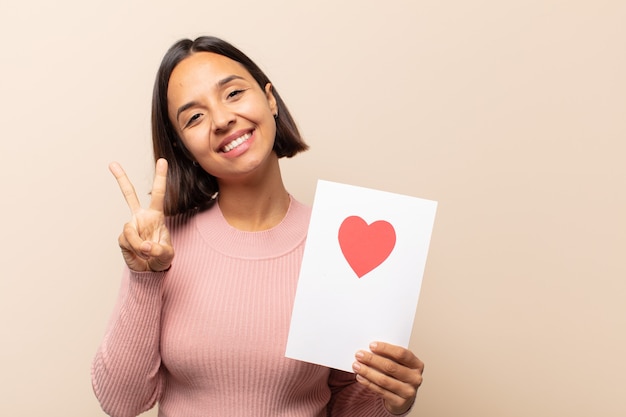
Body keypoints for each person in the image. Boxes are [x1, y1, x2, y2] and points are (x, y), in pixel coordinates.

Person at [91, 36, 424, 417]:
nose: (221, 120)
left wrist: (392, 398)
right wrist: (145, 278)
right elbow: (121, 403)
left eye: (233, 93)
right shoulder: (160, 246)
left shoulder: (338, 244)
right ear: (182, 145)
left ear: (269, 98)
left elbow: (348, 403)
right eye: (194, 117)